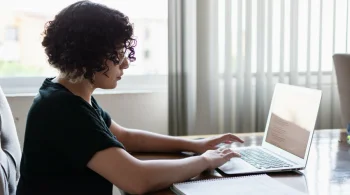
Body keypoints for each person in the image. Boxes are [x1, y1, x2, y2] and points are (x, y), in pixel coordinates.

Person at [16, 1, 243, 195]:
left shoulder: (66, 95)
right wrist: (206, 160)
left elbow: (125, 136)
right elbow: (137, 180)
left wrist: (195, 145)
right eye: (117, 55)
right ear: (88, 55)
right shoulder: (62, 109)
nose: (125, 63)